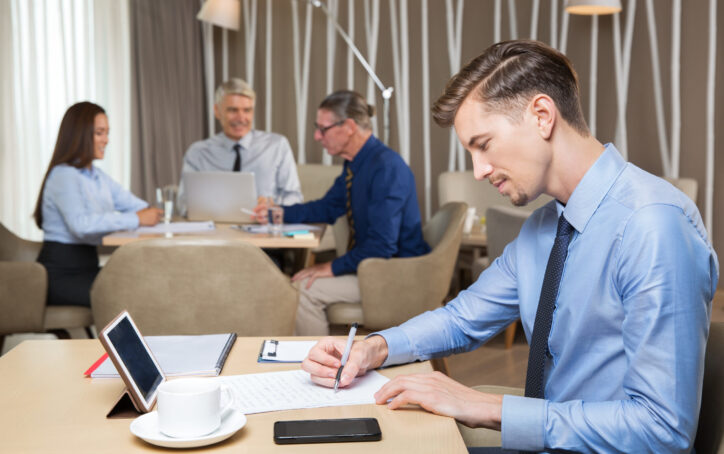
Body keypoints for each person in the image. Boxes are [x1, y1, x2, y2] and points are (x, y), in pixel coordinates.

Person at [301, 41, 719, 453]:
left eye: (483, 145)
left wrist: (490, 407)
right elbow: (462, 319)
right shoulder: (544, 228)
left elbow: (662, 428)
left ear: (541, 116)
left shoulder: (653, 224)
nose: (479, 171)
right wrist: (374, 347)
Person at [253, 90, 430, 336]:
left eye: (322, 129)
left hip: (395, 275)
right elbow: (326, 207)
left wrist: (331, 267)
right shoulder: (356, 164)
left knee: (301, 289)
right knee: (300, 283)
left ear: (348, 126)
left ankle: (322, 367)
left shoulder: (386, 168)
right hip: (375, 268)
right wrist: (277, 213)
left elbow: (381, 247)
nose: (317, 136)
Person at [34, 102, 162, 307]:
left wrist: (146, 213)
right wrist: (136, 219)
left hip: (87, 267)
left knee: (143, 283)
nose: (106, 140)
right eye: (100, 133)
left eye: (107, 133)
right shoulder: (64, 175)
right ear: (80, 134)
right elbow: (81, 225)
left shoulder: (97, 177)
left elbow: (138, 206)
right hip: (61, 275)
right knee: (129, 294)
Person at [178, 78, 303, 214]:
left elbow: (295, 198)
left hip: (264, 229)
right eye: (233, 110)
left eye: (247, 110)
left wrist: (273, 206)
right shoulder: (198, 153)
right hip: (215, 229)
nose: (241, 118)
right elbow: (183, 202)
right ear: (217, 111)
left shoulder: (277, 145)